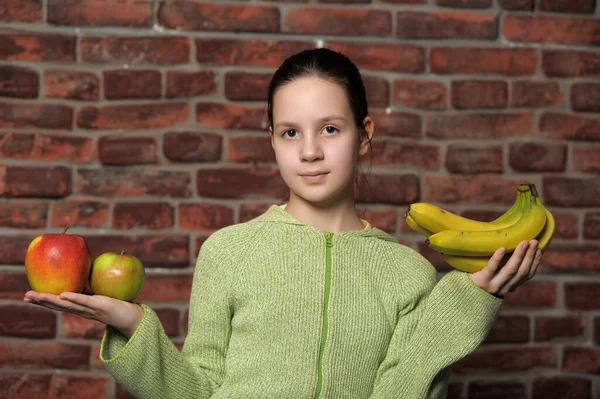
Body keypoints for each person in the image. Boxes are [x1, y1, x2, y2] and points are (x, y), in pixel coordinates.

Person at [24, 48, 542, 399]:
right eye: (291, 132)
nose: (310, 152)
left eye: (330, 129)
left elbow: (401, 389)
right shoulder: (228, 252)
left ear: (364, 135)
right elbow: (198, 390)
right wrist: (134, 326)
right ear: (270, 138)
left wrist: (465, 304)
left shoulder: (407, 272)